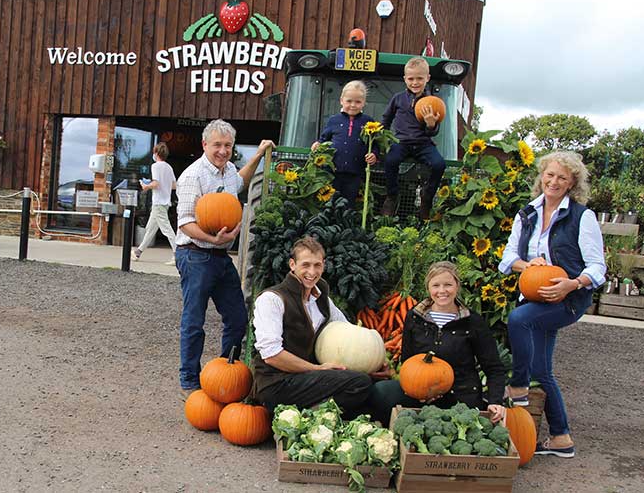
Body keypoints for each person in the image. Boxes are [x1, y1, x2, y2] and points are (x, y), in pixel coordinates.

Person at [498, 151, 606, 459]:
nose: (554, 181)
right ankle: (561, 437)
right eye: (549, 175)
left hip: (568, 299)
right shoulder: (527, 214)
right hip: (535, 294)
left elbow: (598, 267)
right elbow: (507, 259)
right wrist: (527, 265)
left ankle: (518, 386)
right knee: (543, 370)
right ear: (541, 176)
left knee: (519, 319)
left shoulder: (581, 216)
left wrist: (572, 283)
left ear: (572, 183)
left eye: (562, 177)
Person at [174, 119, 275, 396]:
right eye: (217, 144)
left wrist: (257, 154)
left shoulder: (228, 170)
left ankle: (223, 373)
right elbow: (184, 223)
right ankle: (190, 381)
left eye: (228, 145)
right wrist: (212, 239)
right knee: (194, 320)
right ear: (204, 144)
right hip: (195, 255)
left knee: (237, 317)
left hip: (219, 256)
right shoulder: (192, 176)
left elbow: (240, 182)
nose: (223, 150)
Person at [252, 236, 387, 414]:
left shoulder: (321, 299)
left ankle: (308, 416)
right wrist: (317, 368)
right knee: (359, 384)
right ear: (292, 265)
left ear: (324, 265)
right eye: (305, 265)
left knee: (371, 391)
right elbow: (272, 355)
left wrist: (376, 363)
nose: (312, 272)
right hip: (276, 383)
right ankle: (303, 417)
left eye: (317, 265)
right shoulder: (272, 299)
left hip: (306, 378)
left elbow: (347, 332)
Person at [369, 261, 508, 426]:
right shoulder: (414, 317)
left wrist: (495, 401)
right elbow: (407, 360)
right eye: (436, 285)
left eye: (448, 284)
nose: (442, 291)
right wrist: (417, 388)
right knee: (382, 391)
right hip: (421, 393)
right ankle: (390, 434)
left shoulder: (472, 321)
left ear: (457, 286)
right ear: (428, 288)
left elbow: (494, 368)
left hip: (460, 394)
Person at [380, 56, 446, 220]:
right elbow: (386, 119)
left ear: (427, 78)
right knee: (390, 160)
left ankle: (427, 197)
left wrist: (431, 125)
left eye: (419, 78)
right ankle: (392, 195)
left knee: (439, 164)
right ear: (405, 79)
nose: (415, 82)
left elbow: (433, 132)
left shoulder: (432, 102)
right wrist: (381, 135)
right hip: (401, 142)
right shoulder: (398, 98)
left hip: (423, 144)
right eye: (411, 79)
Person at [310, 80, 378, 207]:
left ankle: (345, 225)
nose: (353, 105)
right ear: (342, 100)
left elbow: (374, 144)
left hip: (355, 172)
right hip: (332, 172)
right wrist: (317, 144)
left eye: (358, 102)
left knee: (348, 204)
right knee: (329, 203)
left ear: (364, 103)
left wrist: (374, 154)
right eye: (349, 101)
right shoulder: (333, 120)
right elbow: (324, 139)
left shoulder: (368, 122)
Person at [133, 142, 177, 265]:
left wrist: (146, 186)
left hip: (159, 203)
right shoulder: (169, 167)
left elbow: (156, 184)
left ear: (156, 153)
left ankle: (177, 254)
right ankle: (138, 252)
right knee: (150, 229)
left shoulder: (155, 166)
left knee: (167, 229)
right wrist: (164, 185)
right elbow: (174, 185)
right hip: (165, 202)